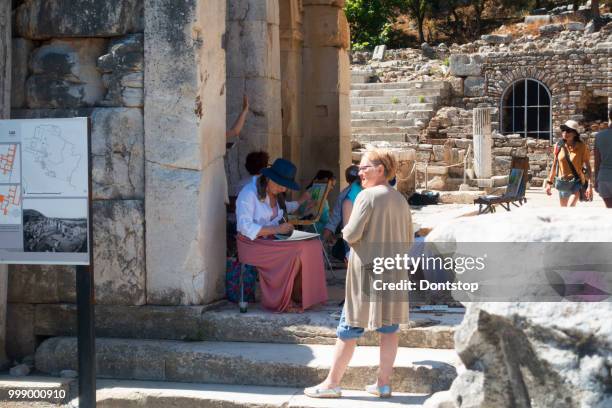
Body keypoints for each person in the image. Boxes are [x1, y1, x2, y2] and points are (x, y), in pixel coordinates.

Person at [305, 150, 413, 399]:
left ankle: (332, 383)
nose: (359, 172)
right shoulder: (400, 199)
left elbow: (351, 233)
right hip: (393, 272)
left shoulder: (366, 197)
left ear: (381, 170)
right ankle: (383, 384)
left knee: (348, 327)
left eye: (364, 167)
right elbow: (408, 241)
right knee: (389, 329)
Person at [236, 158, 328, 312]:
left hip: (271, 240)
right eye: (279, 184)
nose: (282, 189)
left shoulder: (276, 194)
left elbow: (287, 208)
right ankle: (283, 300)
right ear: (269, 178)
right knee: (296, 251)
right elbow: (244, 227)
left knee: (313, 244)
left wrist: (302, 202)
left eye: (285, 186)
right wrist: (277, 230)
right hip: (251, 244)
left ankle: (301, 296)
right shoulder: (249, 193)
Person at [546, 120, 593, 206]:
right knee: (564, 212)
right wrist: (549, 183)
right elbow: (554, 165)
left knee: (570, 207)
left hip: (576, 183)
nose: (565, 132)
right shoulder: (558, 145)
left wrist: (590, 185)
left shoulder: (582, 147)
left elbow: (588, 166)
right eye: (563, 130)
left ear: (575, 133)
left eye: (568, 130)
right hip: (563, 183)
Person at [594, 109, 612, 208]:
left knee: (610, 213)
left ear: (609, 117)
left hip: (604, 178)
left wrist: (595, 180)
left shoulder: (599, 136)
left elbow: (597, 161)